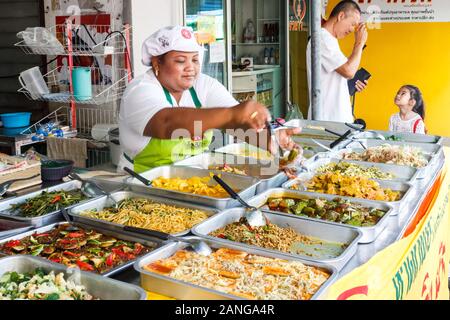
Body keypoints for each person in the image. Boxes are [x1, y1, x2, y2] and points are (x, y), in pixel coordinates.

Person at [118, 26, 300, 173]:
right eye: (181, 61)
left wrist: (271, 139)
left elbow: (236, 124)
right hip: (143, 185)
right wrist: (232, 113)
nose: (190, 68)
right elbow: (166, 123)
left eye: (195, 60)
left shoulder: (204, 85)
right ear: (157, 63)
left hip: (192, 182)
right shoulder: (140, 90)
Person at [306, 0, 368, 123]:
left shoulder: (331, 40)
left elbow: (336, 77)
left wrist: (353, 84)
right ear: (341, 16)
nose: (352, 30)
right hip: (328, 122)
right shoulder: (322, 38)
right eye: (352, 24)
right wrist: (359, 43)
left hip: (337, 120)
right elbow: (349, 71)